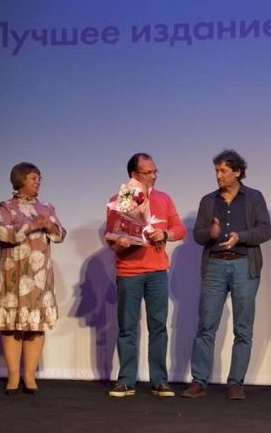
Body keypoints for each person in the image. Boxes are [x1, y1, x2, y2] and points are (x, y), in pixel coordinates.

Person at [181, 149, 271, 400]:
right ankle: (199, 381)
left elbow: (265, 230)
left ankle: (236, 383)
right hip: (215, 265)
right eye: (216, 171)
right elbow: (198, 235)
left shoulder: (254, 198)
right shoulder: (208, 201)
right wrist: (210, 233)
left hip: (244, 265)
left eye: (223, 171)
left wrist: (240, 237)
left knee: (243, 328)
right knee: (206, 325)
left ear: (237, 172)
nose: (218, 175)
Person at [105, 153, 186, 398]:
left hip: (157, 271)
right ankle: (126, 381)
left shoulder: (164, 198)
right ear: (134, 174)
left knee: (158, 327)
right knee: (128, 328)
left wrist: (165, 234)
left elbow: (180, 229)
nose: (153, 176)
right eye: (147, 172)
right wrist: (120, 243)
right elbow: (111, 237)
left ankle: (159, 380)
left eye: (154, 171)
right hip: (129, 271)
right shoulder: (120, 199)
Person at [0, 162, 66, 395]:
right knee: (11, 326)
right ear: (20, 180)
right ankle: (13, 375)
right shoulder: (6, 207)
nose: (38, 182)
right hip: (13, 272)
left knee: (35, 326)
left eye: (39, 178)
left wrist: (49, 224)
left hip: (39, 275)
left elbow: (60, 235)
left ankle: (30, 375)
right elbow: (3, 233)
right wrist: (33, 225)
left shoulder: (46, 207)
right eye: (33, 178)